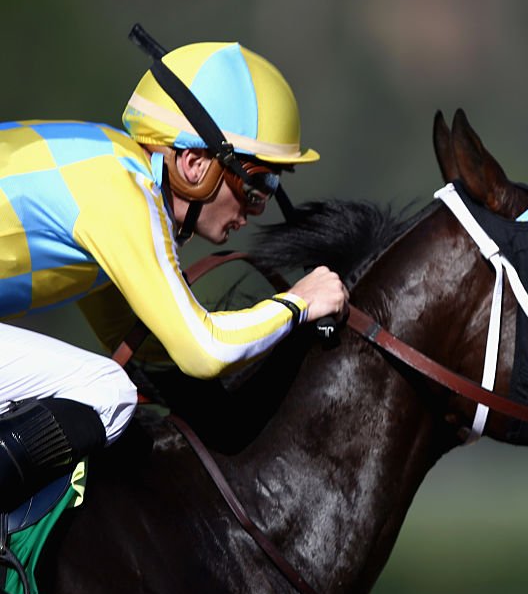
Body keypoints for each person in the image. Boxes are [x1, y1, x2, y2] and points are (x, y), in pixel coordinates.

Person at [0, 41, 347, 511]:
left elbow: (136, 341)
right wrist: (297, 303)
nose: (254, 210)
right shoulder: (122, 193)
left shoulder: (109, 167)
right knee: (107, 393)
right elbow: (205, 350)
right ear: (195, 164)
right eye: (256, 184)